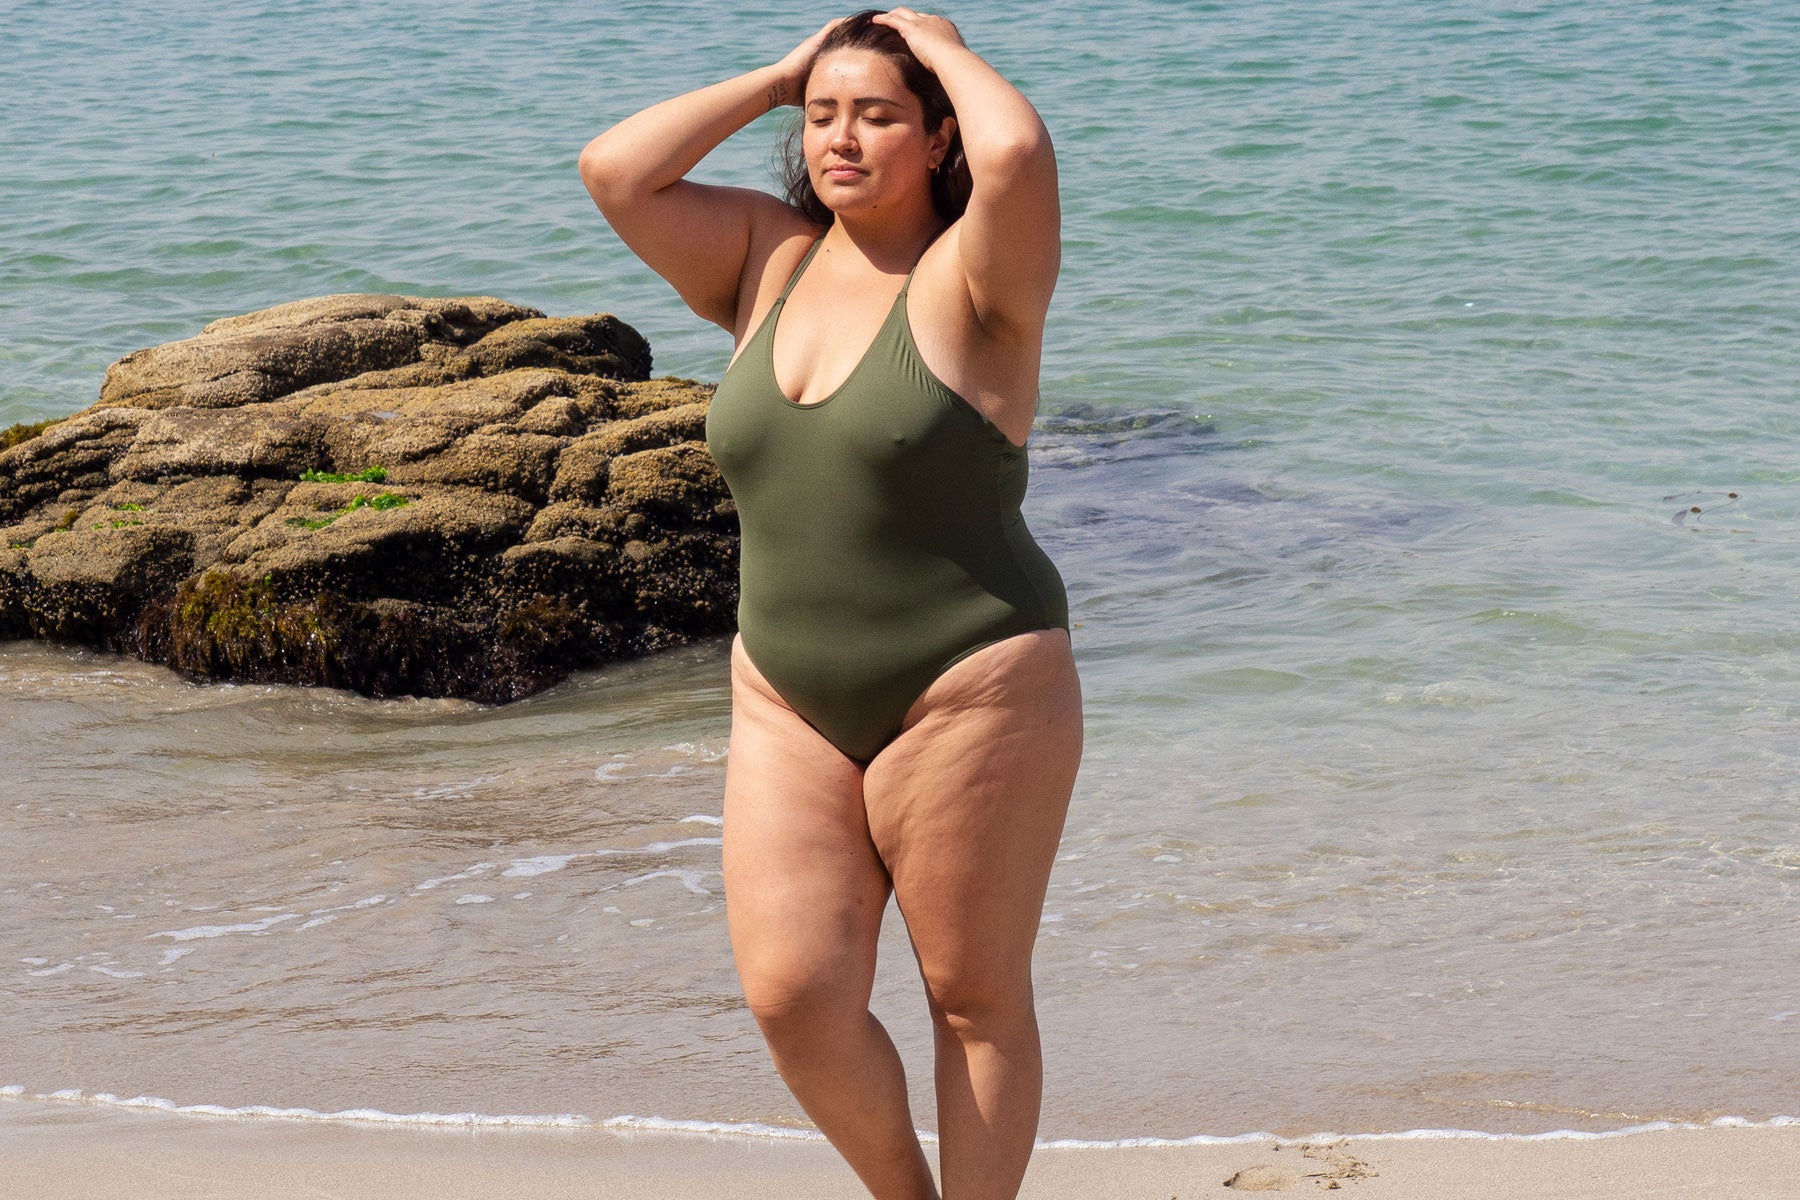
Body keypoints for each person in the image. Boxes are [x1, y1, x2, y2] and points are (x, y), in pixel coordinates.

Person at [578, 10, 1082, 1198]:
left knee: (973, 997)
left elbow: (1016, 155)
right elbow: (617, 168)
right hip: (784, 694)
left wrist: (941, 44)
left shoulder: (982, 277)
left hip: (971, 682)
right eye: (824, 118)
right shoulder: (768, 257)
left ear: (938, 138)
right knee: (794, 997)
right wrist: (780, 76)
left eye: (878, 115)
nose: (840, 139)